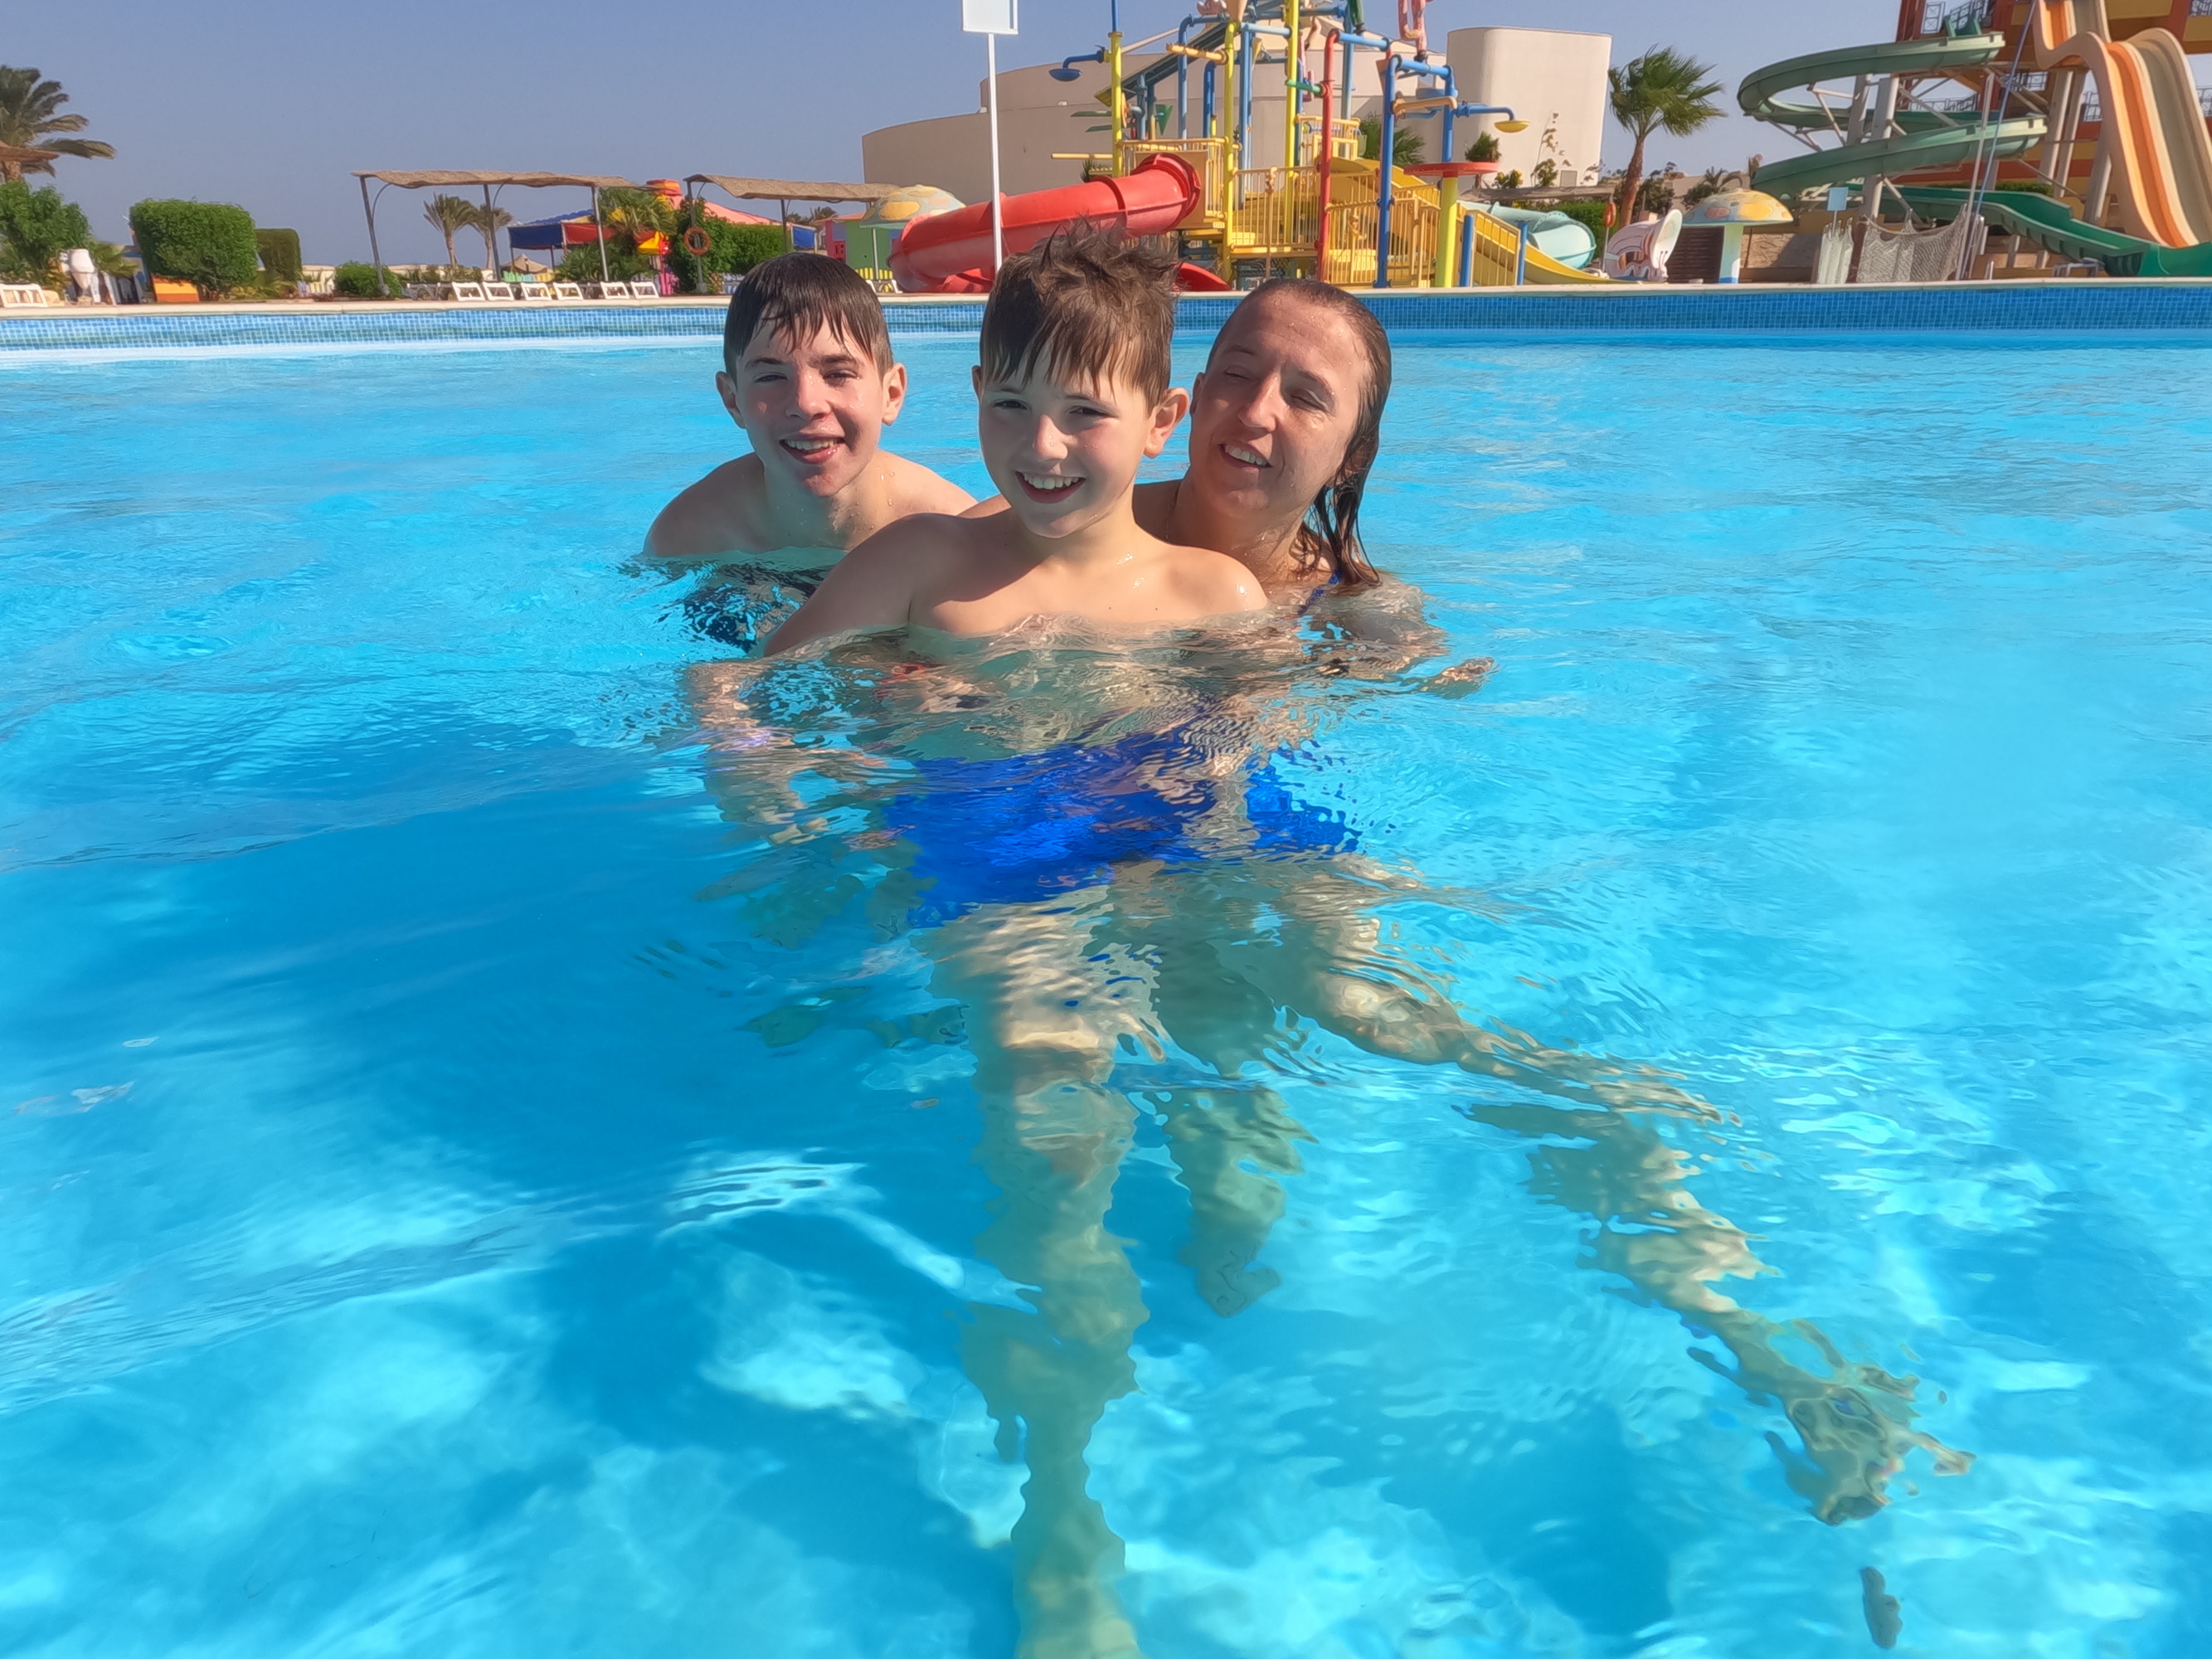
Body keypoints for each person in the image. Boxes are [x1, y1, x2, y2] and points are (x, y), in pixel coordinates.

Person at [763, 226, 1264, 655]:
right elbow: (750, 692)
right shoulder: (912, 562)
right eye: (1011, 405)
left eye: (1085, 412)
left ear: (1160, 422)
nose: (1042, 445)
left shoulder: (1216, 599)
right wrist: (888, 686)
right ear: (980, 392)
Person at [646, 253, 975, 648]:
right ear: (733, 400)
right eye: (771, 376)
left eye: (838, 373)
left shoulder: (952, 529)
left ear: (891, 394)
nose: (806, 404)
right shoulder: (689, 537)